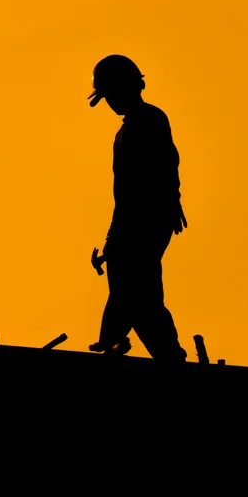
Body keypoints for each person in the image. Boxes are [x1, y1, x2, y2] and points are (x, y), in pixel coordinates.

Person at [87, 54, 188, 364]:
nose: (110, 103)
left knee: (136, 289)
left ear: (132, 87)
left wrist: (172, 201)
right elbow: (125, 194)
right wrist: (112, 238)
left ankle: (126, 342)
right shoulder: (127, 130)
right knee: (136, 290)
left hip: (146, 220)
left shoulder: (150, 120)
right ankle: (118, 339)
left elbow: (165, 165)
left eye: (112, 94)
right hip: (134, 221)